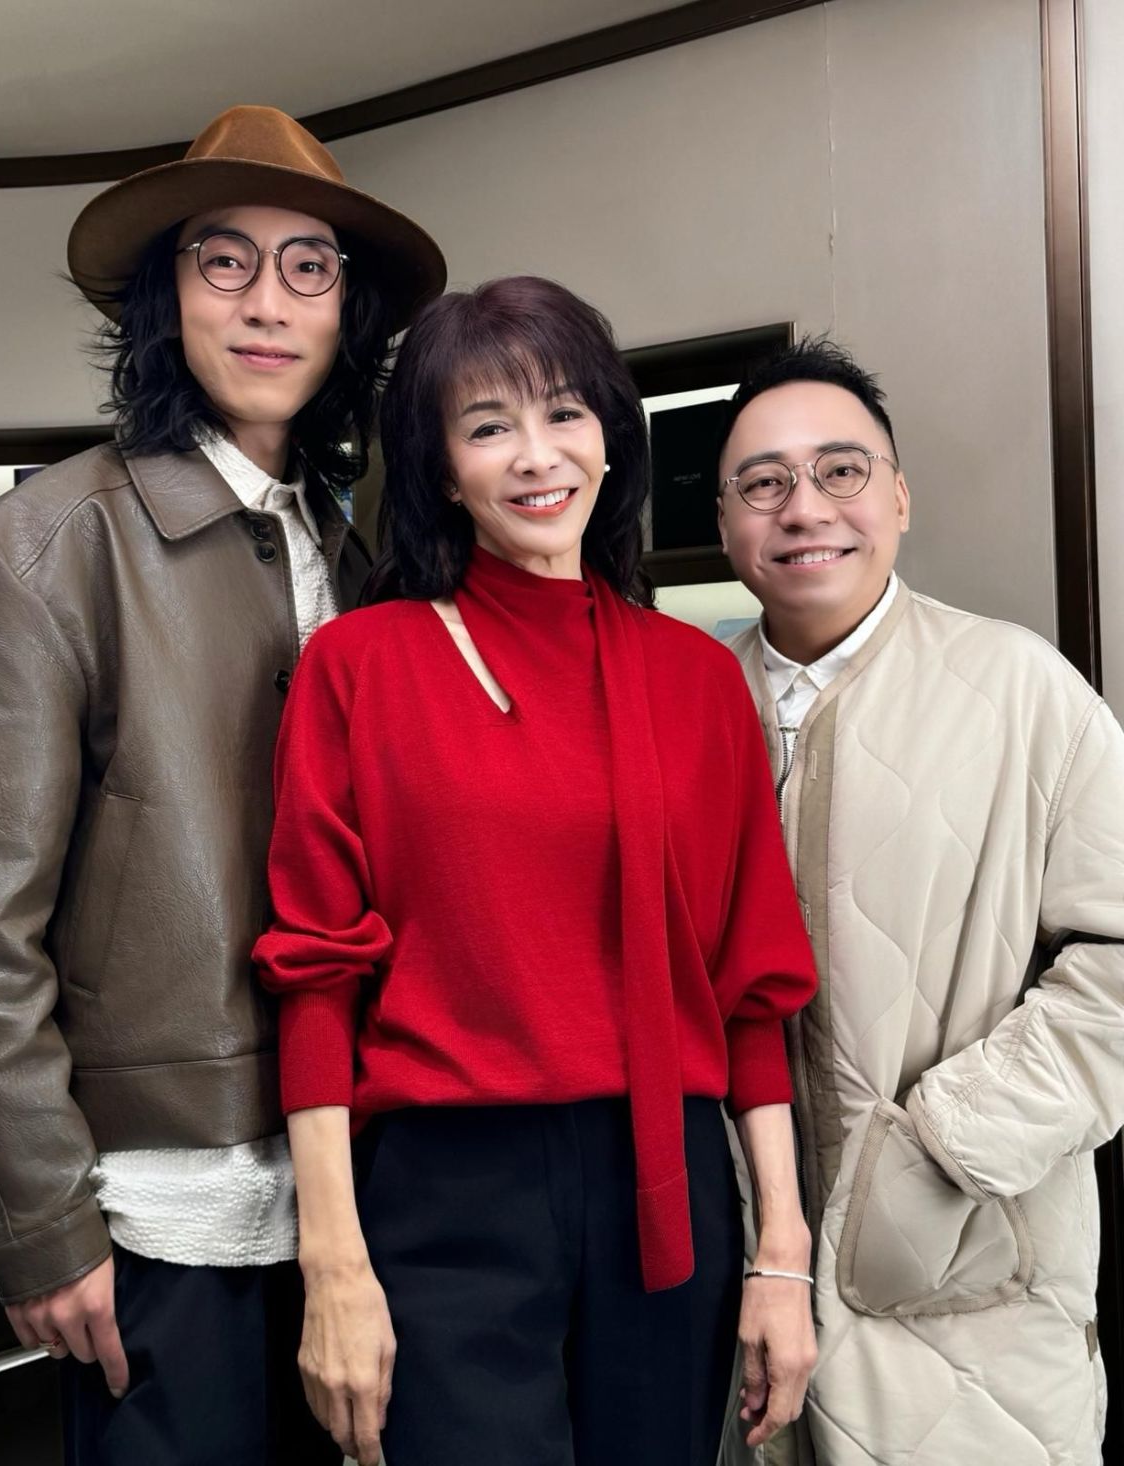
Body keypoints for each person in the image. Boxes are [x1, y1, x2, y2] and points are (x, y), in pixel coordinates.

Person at [0, 104, 444, 1465]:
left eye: (309, 267)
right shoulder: (35, 549)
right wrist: (39, 1221)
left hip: (365, 1181)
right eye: (225, 260)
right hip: (157, 1207)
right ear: (167, 294)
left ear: (347, 311)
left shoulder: (357, 552)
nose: (267, 302)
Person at [252, 275, 819, 1466]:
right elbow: (315, 975)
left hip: (664, 1178)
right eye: (487, 425)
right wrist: (333, 1262)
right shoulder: (360, 664)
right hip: (444, 1189)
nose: (536, 454)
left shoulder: (698, 679)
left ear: (610, 436)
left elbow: (752, 989)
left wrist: (782, 1252)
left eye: (564, 411)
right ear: (442, 469)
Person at [715, 337, 1124, 1466]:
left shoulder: (1020, 687)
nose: (805, 508)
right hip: (735, 1281)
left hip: (968, 1287)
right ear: (726, 519)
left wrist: (944, 1142)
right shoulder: (687, 699)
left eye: (841, 471)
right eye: (763, 482)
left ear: (898, 495)